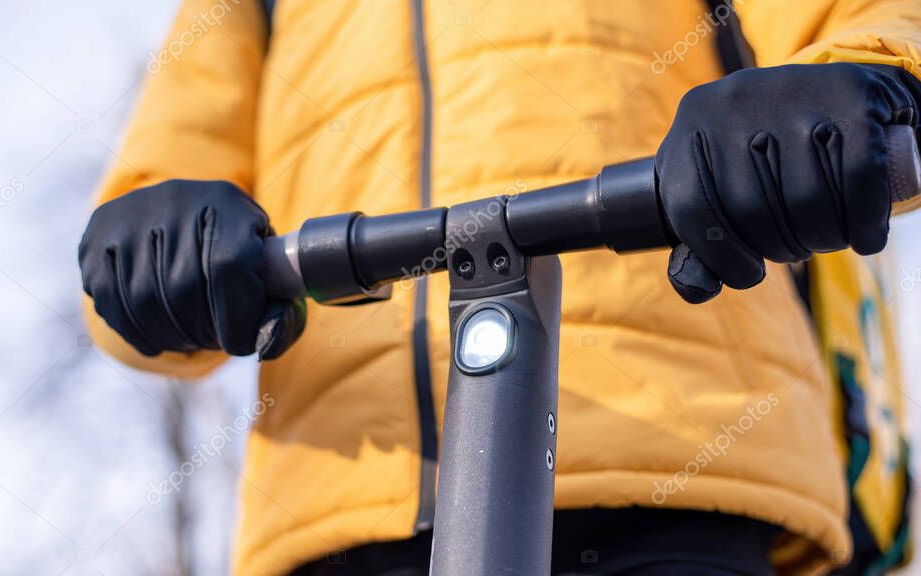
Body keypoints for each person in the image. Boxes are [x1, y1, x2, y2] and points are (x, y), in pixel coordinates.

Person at [77, 1, 921, 574]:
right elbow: (154, 198)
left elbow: (866, 21)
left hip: (681, 468)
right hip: (336, 506)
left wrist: (852, 80)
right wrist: (151, 246)